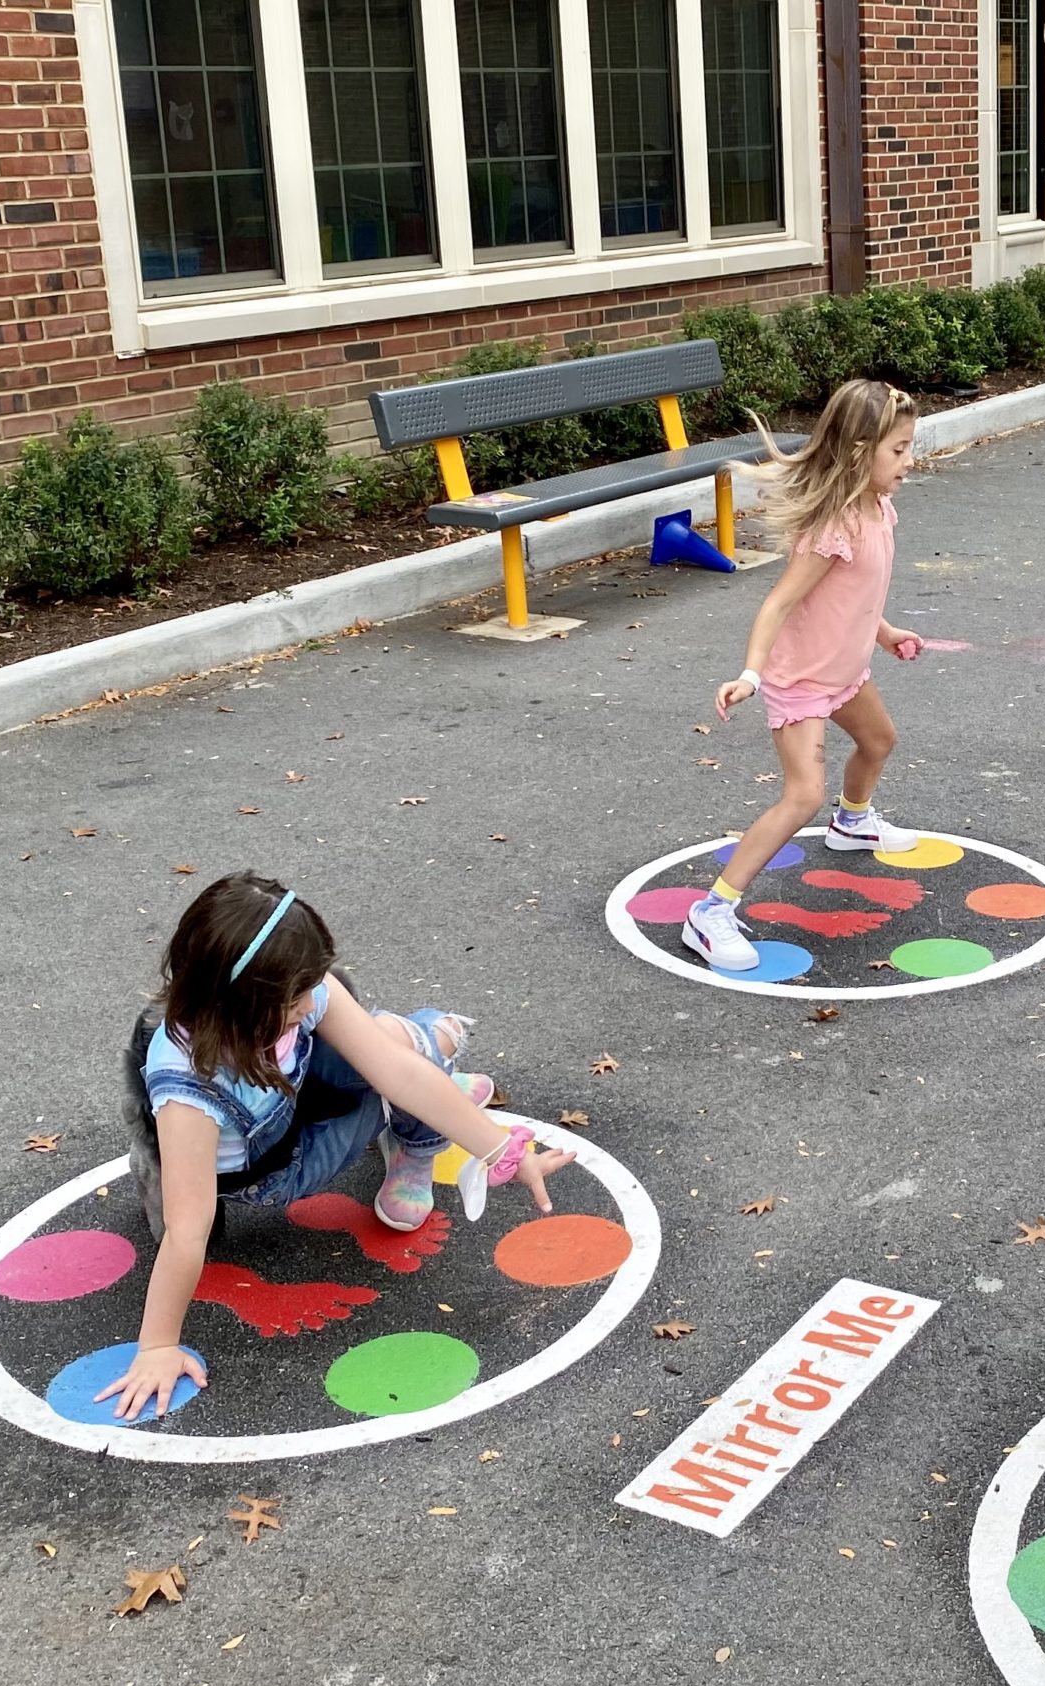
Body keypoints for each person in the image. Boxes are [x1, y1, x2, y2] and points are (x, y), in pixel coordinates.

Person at [100, 874, 574, 1421]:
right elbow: (187, 1231)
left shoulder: (282, 1001)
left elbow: (399, 1074)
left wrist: (500, 1152)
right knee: (402, 1063)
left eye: (310, 988)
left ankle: (420, 1130)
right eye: (294, 996)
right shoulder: (189, 1086)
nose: (308, 1000)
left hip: (288, 1103)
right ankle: (435, 1044)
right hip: (273, 1172)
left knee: (395, 1064)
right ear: (241, 999)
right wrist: (158, 1346)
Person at [687, 379, 930, 972]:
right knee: (802, 794)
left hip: (845, 670)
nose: (909, 460)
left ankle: (853, 821)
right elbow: (778, 603)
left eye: (909, 447)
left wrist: (886, 632)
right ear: (857, 452)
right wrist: (750, 674)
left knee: (878, 741)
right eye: (897, 450)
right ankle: (712, 912)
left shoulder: (879, 507)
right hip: (800, 681)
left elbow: (857, 598)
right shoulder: (834, 528)